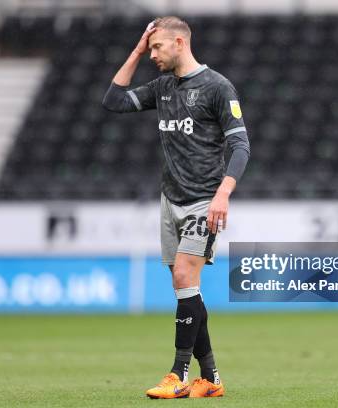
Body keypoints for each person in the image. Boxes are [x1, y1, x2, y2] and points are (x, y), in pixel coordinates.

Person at [102, 16, 250, 399]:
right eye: (149, 49)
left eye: (157, 47)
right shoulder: (163, 86)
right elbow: (114, 100)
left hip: (205, 200)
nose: (152, 54)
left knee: (185, 276)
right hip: (171, 200)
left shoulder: (218, 87)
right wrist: (136, 48)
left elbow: (241, 145)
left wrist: (223, 193)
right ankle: (212, 378)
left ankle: (178, 375)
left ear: (180, 42)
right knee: (186, 287)